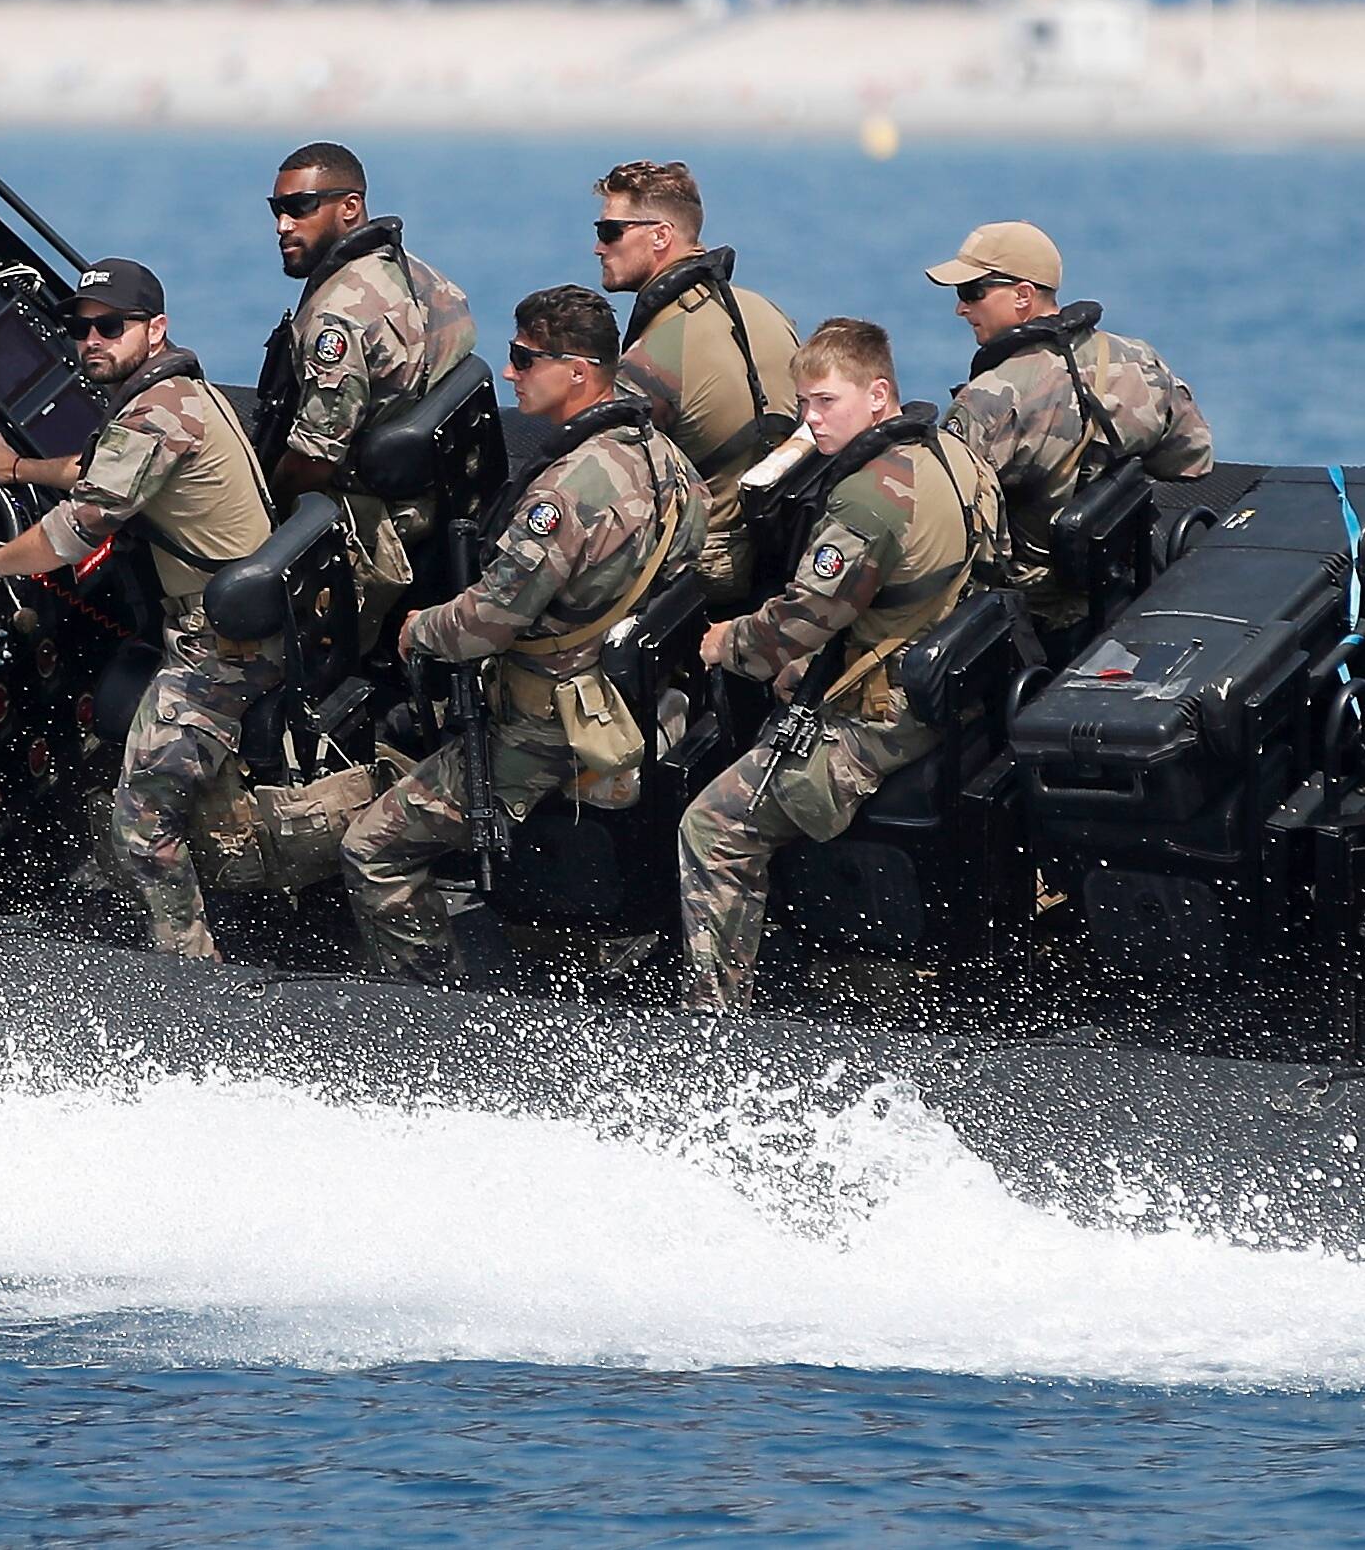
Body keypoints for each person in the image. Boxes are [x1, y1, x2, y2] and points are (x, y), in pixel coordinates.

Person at [338, 286, 704, 984]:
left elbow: (486, 621)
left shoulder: (564, 493)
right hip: (627, 698)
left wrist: (419, 629)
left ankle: (431, 1005)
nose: (509, 373)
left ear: (576, 371)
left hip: (545, 728)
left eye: (522, 358)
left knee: (371, 847)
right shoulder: (667, 462)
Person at [0, 257, 276, 960]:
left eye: (109, 326)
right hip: (229, 620)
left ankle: (188, 968)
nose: (90, 339)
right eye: (78, 327)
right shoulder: (173, 393)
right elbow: (96, 467)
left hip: (218, 644)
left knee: (139, 819)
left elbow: (73, 529)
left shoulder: (154, 413)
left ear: (154, 329)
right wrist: (13, 469)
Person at [674, 317, 1001, 1012]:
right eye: (803, 404)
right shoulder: (955, 454)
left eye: (826, 401)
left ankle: (713, 1014)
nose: (811, 420)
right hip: (948, 683)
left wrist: (722, 640)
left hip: (884, 718)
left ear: (877, 395)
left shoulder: (867, 497)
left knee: (709, 826)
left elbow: (795, 623)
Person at [929, 221, 1214, 632]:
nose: (961, 308)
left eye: (972, 293)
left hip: (1038, 611)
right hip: (1126, 578)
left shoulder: (988, 401)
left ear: (1023, 295)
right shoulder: (1138, 358)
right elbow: (1192, 459)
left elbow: (948, 529)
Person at [256, 139, 475, 622]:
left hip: (383, 521)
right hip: (447, 493)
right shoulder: (419, 275)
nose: (282, 225)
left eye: (299, 208)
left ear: (350, 207)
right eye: (277, 209)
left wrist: (265, 502)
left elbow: (314, 459)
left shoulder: (337, 317)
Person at [594, 157, 805, 601]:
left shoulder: (652, 357)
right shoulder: (767, 313)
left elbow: (603, 484)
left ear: (660, 236)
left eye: (610, 231)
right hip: (785, 548)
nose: (599, 247)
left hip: (712, 571)